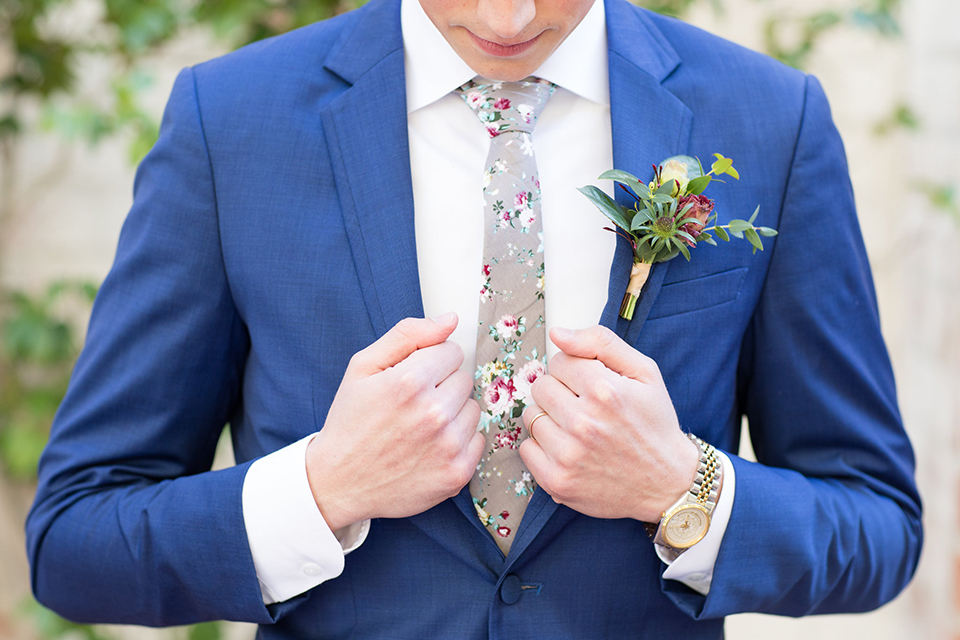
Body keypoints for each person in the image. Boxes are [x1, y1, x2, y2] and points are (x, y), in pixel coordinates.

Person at [26, 0, 922, 636]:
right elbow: (76, 540)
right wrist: (321, 491)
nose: (506, 18)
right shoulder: (231, 123)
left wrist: (681, 488)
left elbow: (877, 529)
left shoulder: (770, 120)